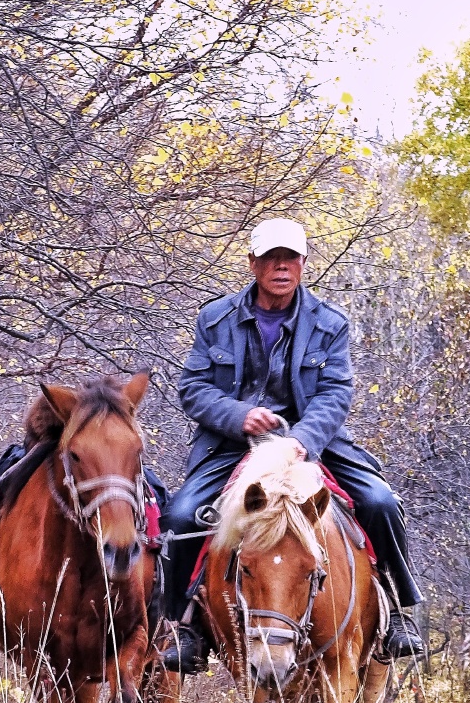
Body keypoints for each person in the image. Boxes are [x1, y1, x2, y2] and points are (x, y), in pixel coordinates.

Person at [159, 217, 424, 674]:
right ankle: (184, 624)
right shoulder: (215, 318)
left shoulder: (330, 323)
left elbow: (336, 393)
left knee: (380, 502)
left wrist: (301, 440)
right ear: (252, 263)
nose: (280, 267)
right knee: (183, 515)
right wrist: (239, 415)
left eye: (289, 258)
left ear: (303, 264)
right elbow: (194, 388)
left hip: (312, 444)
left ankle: (399, 610)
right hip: (231, 445)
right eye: (270, 258)